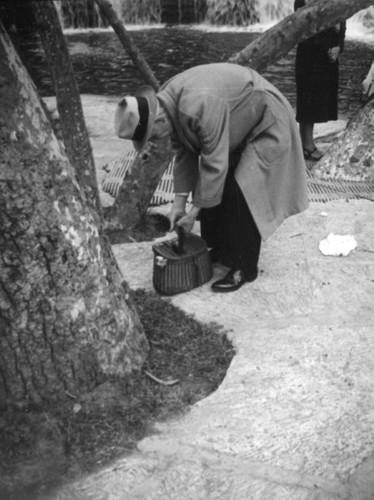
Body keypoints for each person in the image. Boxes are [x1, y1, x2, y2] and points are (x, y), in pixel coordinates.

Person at [114, 63, 308, 293]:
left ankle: (244, 267)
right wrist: (178, 205)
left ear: (157, 121)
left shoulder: (197, 106)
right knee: (210, 187)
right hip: (238, 121)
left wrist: (194, 212)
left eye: (151, 136)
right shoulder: (166, 104)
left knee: (242, 188)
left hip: (268, 119)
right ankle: (219, 248)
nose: (154, 141)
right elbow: (185, 148)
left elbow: (215, 164)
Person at [294, 0, 346, 161]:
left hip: (329, 57)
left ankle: (306, 145)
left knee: (318, 99)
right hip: (311, 55)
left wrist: (339, 47)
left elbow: (343, 22)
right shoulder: (302, 1)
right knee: (309, 100)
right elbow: (305, 28)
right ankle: (307, 147)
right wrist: (327, 47)